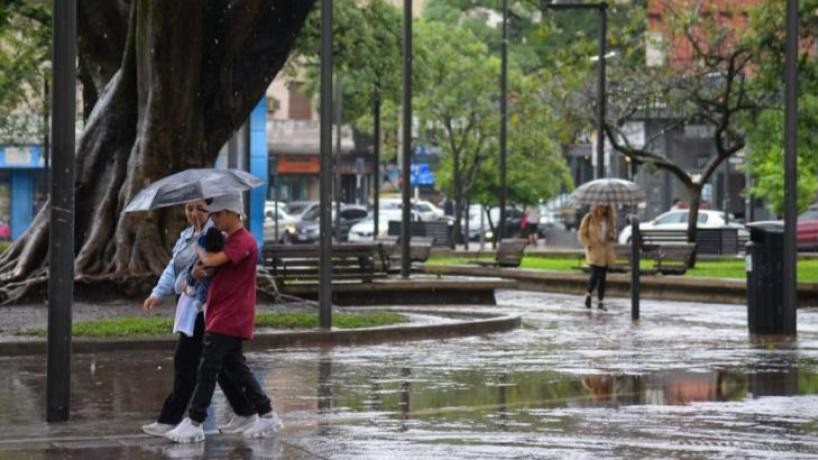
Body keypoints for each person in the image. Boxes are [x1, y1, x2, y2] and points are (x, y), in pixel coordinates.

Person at [165, 193, 282, 443]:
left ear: (232, 213)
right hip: (220, 313)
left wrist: (199, 244)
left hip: (230, 315)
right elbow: (208, 268)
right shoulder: (229, 240)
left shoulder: (243, 241)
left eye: (217, 215)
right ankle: (266, 412)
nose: (214, 219)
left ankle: (195, 420)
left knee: (208, 368)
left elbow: (211, 260)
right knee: (237, 369)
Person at [141, 200, 257, 438]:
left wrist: (195, 274)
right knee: (221, 364)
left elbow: (214, 270)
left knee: (189, 361)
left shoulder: (215, 236)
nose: (195, 213)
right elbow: (174, 268)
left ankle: (179, 419)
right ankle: (248, 411)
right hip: (188, 305)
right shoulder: (186, 235)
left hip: (205, 308)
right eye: (189, 208)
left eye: (201, 208)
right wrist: (158, 293)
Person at [577, 204, 616, 311]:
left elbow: (612, 233)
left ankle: (600, 301)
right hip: (593, 249)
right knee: (595, 274)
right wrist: (587, 244)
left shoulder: (609, 219)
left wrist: (611, 235)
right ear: (596, 207)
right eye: (601, 207)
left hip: (605, 251)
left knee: (602, 277)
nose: (603, 209)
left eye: (605, 207)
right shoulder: (589, 218)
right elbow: (581, 233)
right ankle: (588, 294)